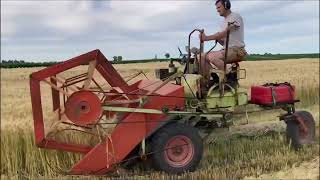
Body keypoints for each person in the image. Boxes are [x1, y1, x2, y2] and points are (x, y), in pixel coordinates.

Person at [199, 0, 247, 75]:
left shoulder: (235, 16)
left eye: (219, 7)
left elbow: (226, 32)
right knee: (201, 57)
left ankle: (229, 75)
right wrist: (217, 39)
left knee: (212, 57)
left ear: (226, 5)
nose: (217, 10)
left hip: (237, 50)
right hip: (227, 50)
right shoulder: (224, 22)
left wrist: (206, 38)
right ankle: (212, 80)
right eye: (216, 8)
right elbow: (224, 42)